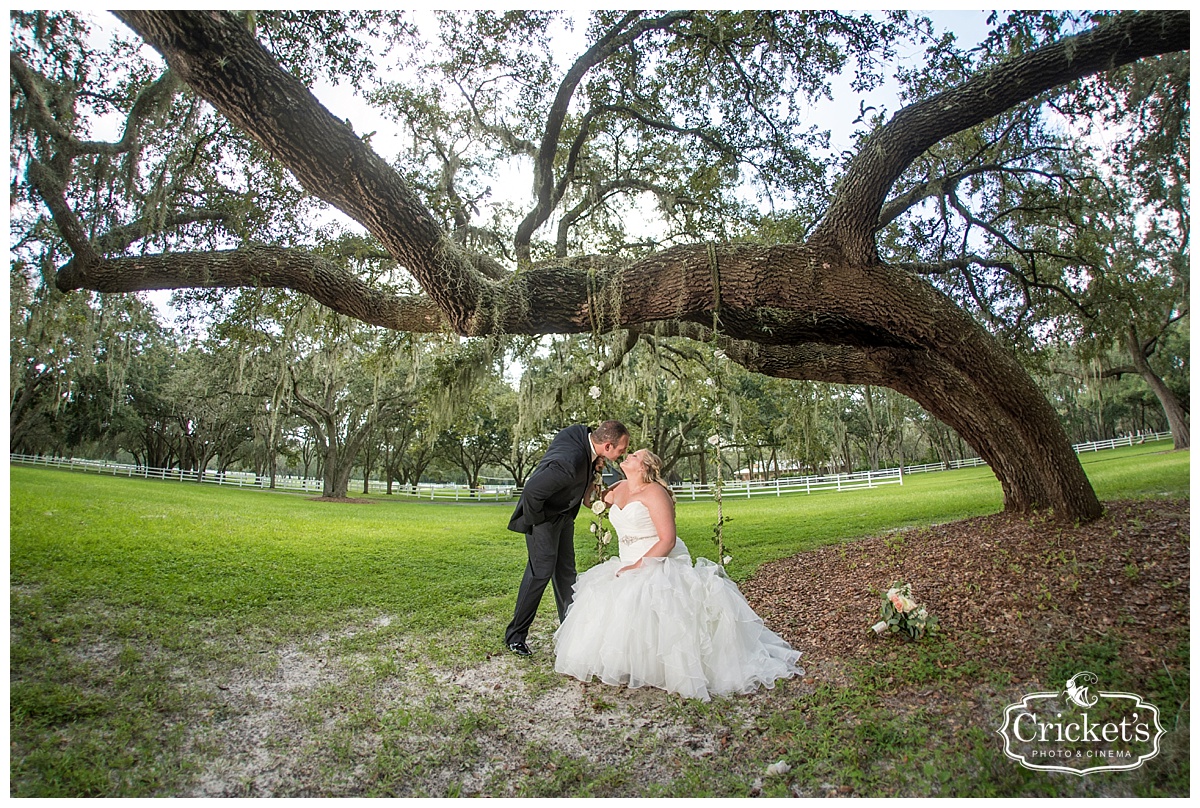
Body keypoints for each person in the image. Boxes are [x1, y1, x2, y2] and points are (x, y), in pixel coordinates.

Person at [553, 449, 803, 701]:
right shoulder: (618, 487)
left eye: (635, 455)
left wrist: (638, 566)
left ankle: (668, 666)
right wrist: (591, 473)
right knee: (609, 602)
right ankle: (634, 662)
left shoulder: (655, 493)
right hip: (625, 560)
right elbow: (591, 501)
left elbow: (668, 539)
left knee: (654, 604)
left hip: (656, 559)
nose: (628, 455)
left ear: (644, 466)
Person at [504, 420, 631, 656]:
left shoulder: (580, 434)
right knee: (540, 572)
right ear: (607, 445)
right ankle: (515, 636)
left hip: (563, 517)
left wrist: (594, 467)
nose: (623, 454)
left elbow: (579, 435)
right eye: (621, 450)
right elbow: (532, 491)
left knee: (565, 573)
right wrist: (538, 521)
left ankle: (571, 630)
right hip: (544, 518)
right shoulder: (569, 463)